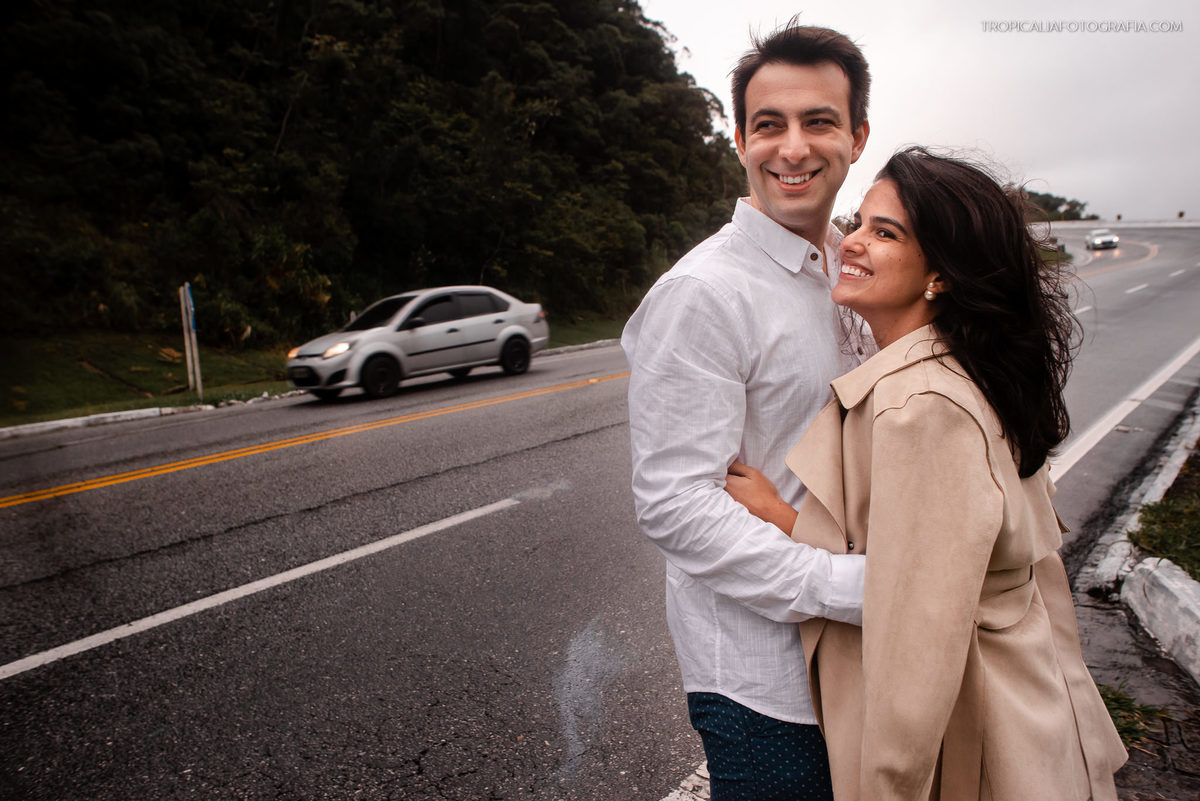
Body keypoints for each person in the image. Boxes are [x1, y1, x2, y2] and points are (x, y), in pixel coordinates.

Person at [725, 146, 1128, 800]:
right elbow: (944, 562)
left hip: (982, 736)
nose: (853, 241)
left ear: (940, 274)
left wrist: (887, 788)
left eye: (886, 233)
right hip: (1027, 713)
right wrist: (784, 516)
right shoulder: (961, 370)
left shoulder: (919, 407)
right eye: (860, 221)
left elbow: (915, 644)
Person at [622, 22, 873, 801]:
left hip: (866, 662)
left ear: (858, 137)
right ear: (740, 141)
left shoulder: (855, 269)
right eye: (769, 124)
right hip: (767, 687)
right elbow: (675, 504)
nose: (792, 147)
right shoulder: (704, 293)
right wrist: (857, 588)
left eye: (818, 121)